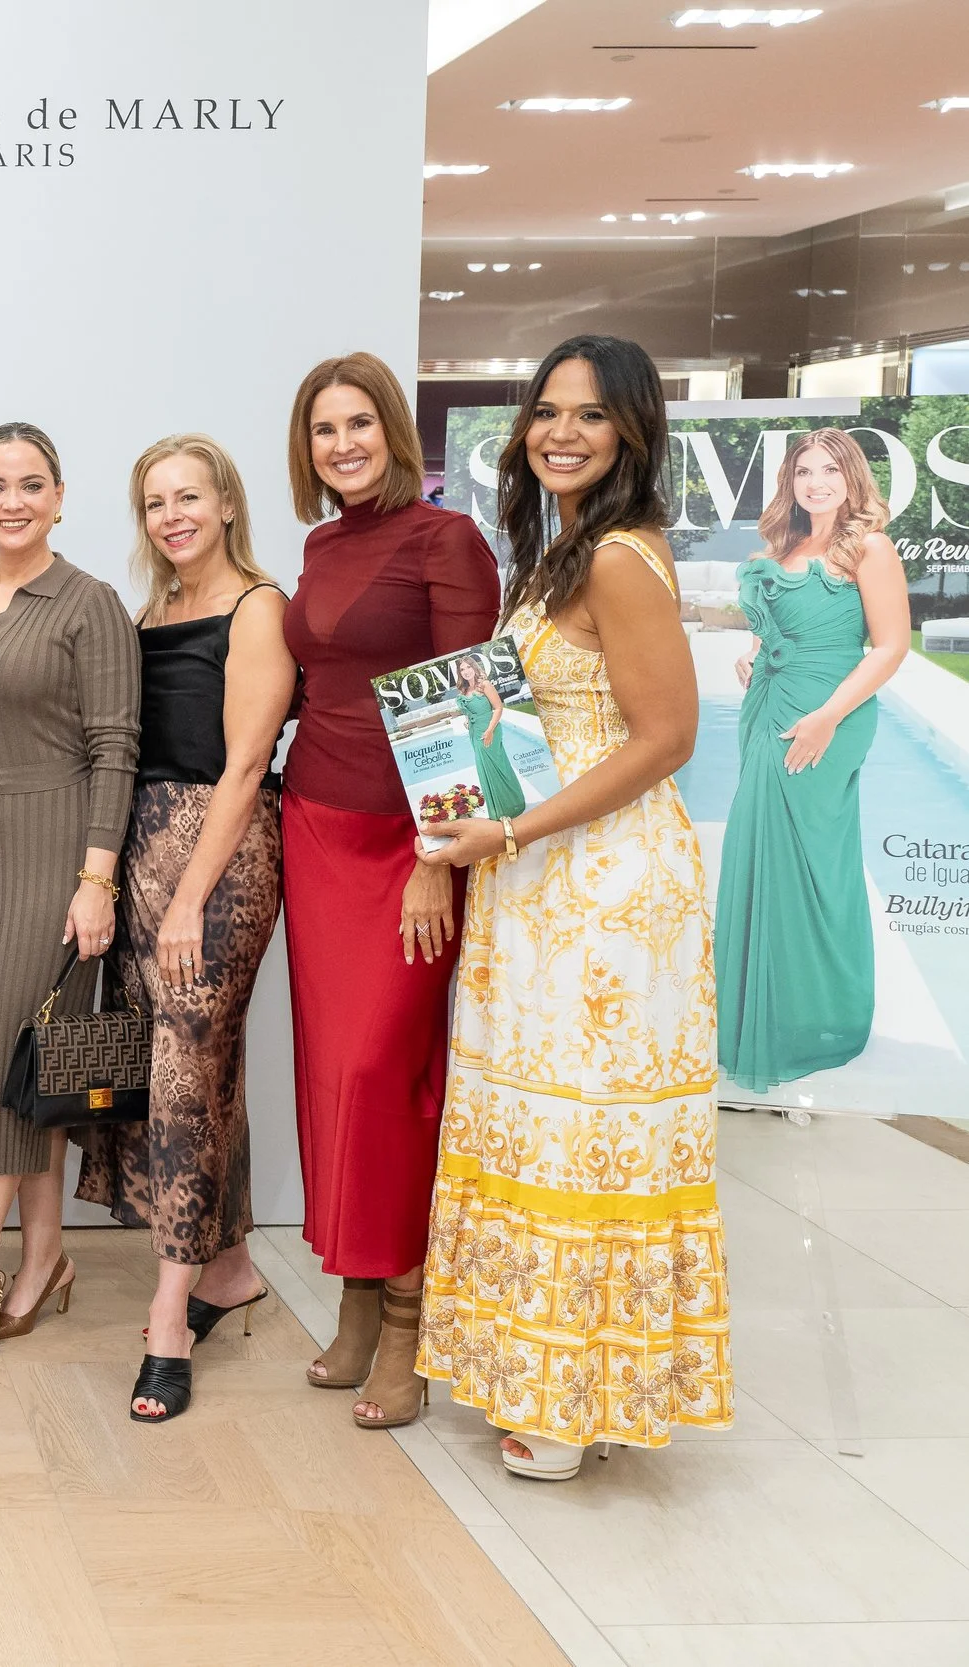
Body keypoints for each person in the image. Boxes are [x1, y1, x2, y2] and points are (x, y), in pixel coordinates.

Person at [416, 334, 732, 1480]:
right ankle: (550, 1372)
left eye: (589, 416)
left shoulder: (614, 560)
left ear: (633, 433)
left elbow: (668, 738)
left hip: (602, 895)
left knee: (585, 1137)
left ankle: (572, 1394)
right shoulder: (561, 550)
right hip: (538, 885)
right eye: (546, 410)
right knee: (540, 1131)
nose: (560, 431)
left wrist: (502, 832)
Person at [280, 353, 499, 1429]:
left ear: (395, 432)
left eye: (359, 423)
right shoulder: (323, 542)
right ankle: (357, 1298)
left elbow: (469, 704)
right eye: (323, 430)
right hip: (313, 826)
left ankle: (409, 1317)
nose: (342, 444)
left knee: (386, 1073)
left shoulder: (444, 539)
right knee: (332, 1075)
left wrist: (433, 854)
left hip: (403, 847)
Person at [73, 435, 290, 1422]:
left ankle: (166, 1317)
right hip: (142, 842)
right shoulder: (150, 611)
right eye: (154, 501)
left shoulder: (257, 607)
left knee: (180, 1069)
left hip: (222, 855)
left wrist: (192, 896)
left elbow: (245, 766)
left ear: (226, 503)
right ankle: (228, 1268)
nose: (172, 515)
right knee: (202, 1069)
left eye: (188, 496)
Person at [0, 421, 139, 1371]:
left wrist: (98, 880)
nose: (12, 500)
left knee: (1, 1053)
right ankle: (46, 1258)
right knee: (34, 1064)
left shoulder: (90, 604)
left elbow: (115, 748)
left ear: (59, 497)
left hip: (55, 850)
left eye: (31, 483)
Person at [716, 427, 907, 1090]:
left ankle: (826, 1013)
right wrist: (753, 651)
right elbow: (778, 628)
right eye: (804, 471)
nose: (816, 481)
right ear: (790, 481)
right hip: (770, 703)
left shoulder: (870, 547)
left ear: (852, 478)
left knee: (816, 863)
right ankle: (768, 1009)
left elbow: (888, 648)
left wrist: (828, 717)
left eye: (830, 469)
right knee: (761, 849)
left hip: (831, 713)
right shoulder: (784, 544)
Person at [455, 653, 526, 821]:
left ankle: (512, 805)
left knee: (498, 766)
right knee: (484, 768)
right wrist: (467, 721)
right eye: (462, 669)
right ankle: (497, 810)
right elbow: (470, 711)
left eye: (468, 667)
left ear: (474, 667)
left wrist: (489, 731)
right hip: (475, 731)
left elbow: (498, 708)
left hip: (489, 729)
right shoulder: (464, 690)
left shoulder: (484, 685)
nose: (466, 671)